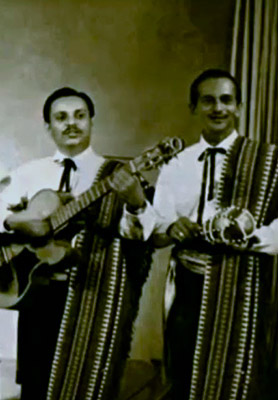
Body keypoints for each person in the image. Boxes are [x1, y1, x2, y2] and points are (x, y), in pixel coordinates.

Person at [0, 87, 153, 399]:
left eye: (79, 116)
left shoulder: (116, 174)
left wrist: (136, 202)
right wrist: (16, 222)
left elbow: (139, 235)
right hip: (38, 295)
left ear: (91, 121)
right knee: (36, 388)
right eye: (61, 117)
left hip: (94, 295)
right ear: (49, 127)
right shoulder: (30, 172)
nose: (71, 123)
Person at [118, 68, 278, 400]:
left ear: (238, 107)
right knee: (184, 374)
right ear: (194, 108)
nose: (218, 108)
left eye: (226, 100)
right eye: (208, 101)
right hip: (188, 284)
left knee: (238, 376)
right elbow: (157, 230)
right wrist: (171, 227)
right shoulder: (177, 163)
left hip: (242, 283)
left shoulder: (269, 161)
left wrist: (243, 236)